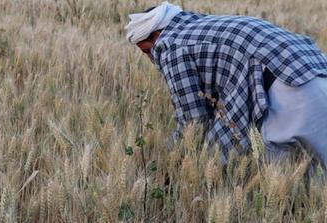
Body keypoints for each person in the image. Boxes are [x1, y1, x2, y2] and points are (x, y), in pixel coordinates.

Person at [125, 2, 327, 165]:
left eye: (147, 50)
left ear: (157, 34)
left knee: (282, 176)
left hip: (288, 94)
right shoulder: (203, 25)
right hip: (317, 72)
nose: (152, 58)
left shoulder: (170, 45)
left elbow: (193, 122)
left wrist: (170, 161)